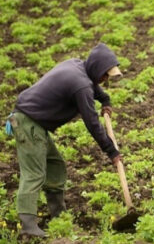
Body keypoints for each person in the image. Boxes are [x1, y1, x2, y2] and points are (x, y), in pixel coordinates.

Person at [5, 43, 123, 237]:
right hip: (28, 123)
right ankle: (27, 226)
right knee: (34, 174)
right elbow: (92, 123)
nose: (103, 80)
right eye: (104, 75)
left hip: (35, 123)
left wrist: (105, 100)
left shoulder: (77, 65)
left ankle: (58, 215)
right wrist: (112, 151)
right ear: (95, 68)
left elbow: (94, 86)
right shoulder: (81, 85)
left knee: (55, 165)